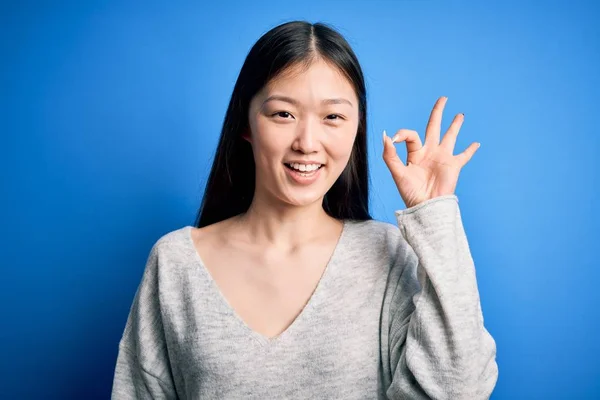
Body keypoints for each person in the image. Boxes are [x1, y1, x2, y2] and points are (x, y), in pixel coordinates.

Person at [111, 20, 498, 399]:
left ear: (356, 129)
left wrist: (434, 213)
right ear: (245, 123)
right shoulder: (176, 262)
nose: (308, 143)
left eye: (333, 117)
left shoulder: (389, 255)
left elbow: (458, 389)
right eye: (283, 114)